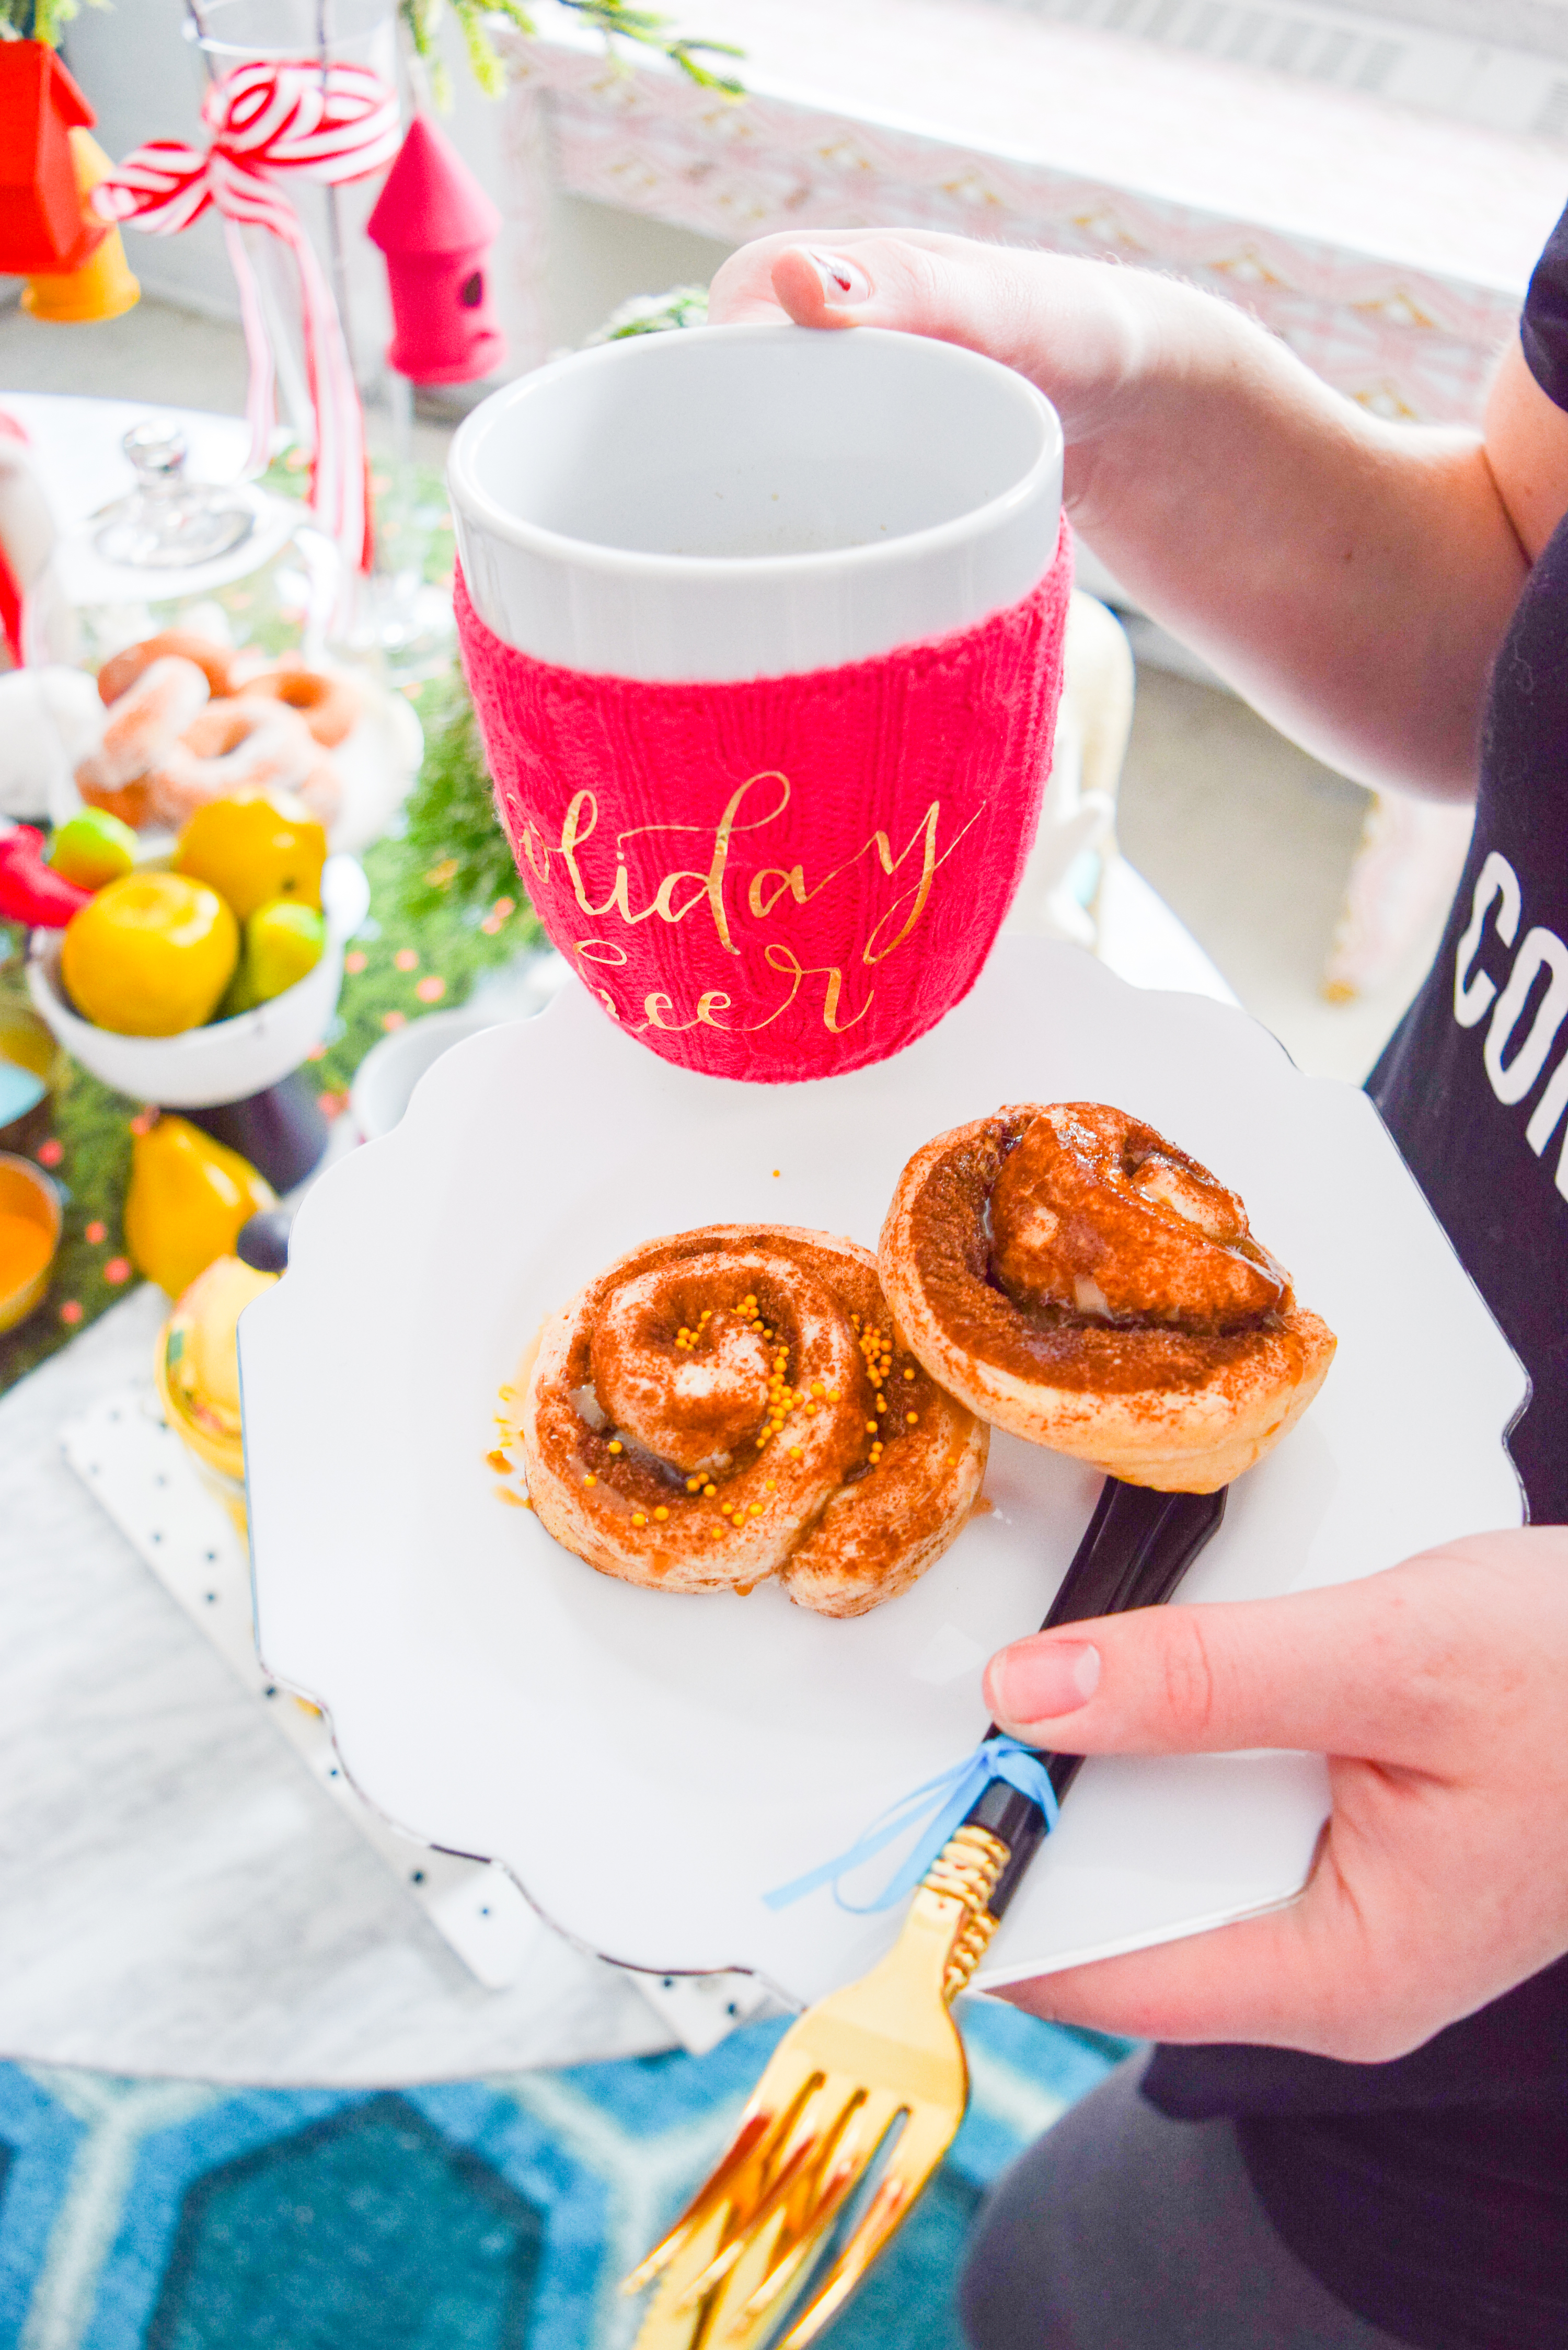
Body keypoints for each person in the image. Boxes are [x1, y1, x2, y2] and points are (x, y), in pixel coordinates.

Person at [707, 229, 1568, 2349]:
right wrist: (1135, 404)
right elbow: (1513, 580)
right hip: (1315, 1545)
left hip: (1525, 2154)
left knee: (1075, 2286)